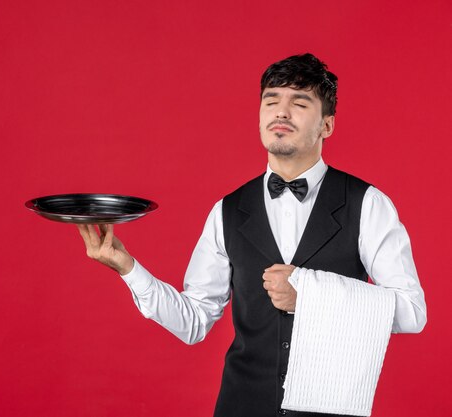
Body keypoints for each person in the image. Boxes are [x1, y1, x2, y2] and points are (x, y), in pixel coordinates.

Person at [77, 53, 426, 417]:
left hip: (332, 410)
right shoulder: (227, 210)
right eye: (271, 100)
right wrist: (128, 267)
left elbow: (412, 312)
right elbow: (194, 320)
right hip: (241, 405)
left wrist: (309, 294)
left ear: (327, 125)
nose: (281, 112)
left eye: (299, 102)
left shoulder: (368, 204)